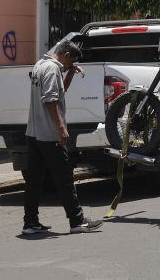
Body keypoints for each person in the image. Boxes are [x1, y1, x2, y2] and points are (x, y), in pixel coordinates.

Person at [22, 40, 103, 235]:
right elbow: (50, 100)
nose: (69, 65)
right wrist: (61, 128)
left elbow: (59, 92)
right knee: (65, 178)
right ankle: (77, 221)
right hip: (49, 135)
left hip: (33, 134)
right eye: (70, 62)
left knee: (34, 180)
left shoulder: (40, 64)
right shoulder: (51, 69)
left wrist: (70, 74)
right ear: (66, 55)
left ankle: (30, 223)